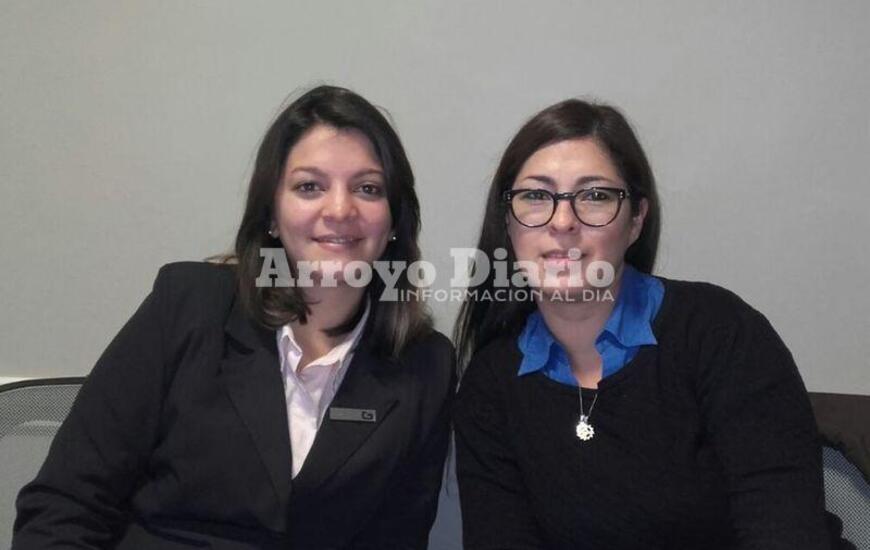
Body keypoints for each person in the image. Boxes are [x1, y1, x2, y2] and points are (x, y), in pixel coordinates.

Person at [13, 85, 455, 549]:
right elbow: (66, 505)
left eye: (367, 188)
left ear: (393, 221)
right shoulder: (188, 306)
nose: (340, 210)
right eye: (310, 186)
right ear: (271, 213)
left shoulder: (424, 364)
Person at [452, 98, 843, 549]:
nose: (562, 222)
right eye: (536, 196)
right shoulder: (491, 384)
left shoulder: (720, 332)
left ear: (636, 219)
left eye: (595, 196)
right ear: (508, 222)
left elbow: (783, 530)